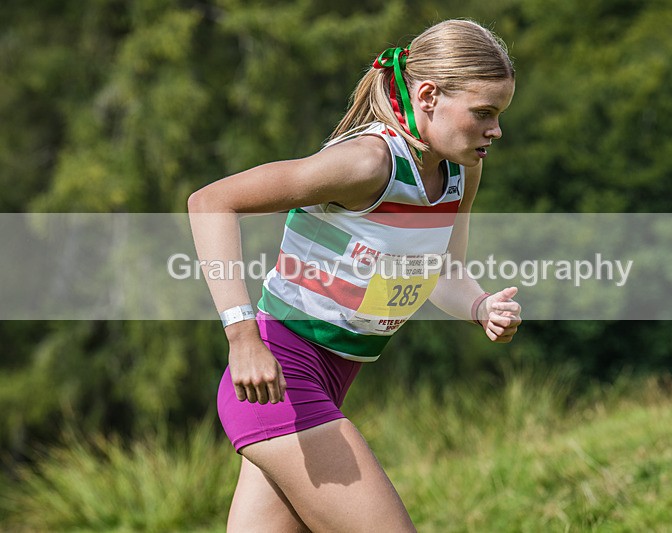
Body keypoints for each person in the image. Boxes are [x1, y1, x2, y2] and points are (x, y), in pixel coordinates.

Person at [188, 18, 521, 532]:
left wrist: (479, 307)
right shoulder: (367, 163)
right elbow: (210, 202)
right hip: (279, 376)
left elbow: (444, 269)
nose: (495, 130)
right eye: (484, 113)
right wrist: (242, 337)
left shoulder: (459, 169)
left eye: (498, 114)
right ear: (429, 95)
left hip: (332, 379)